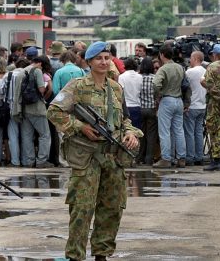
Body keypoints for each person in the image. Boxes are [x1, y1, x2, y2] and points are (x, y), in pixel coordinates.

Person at [47, 41, 142, 261]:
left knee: (112, 208)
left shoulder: (116, 88)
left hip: (113, 157)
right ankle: (75, 256)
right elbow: (54, 111)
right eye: (98, 58)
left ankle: (102, 254)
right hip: (86, 157)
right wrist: (81, 127)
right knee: (82, 208)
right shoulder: (77, 86)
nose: (104, 62)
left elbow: (125, 119)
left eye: (107, 58)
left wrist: (130, 133)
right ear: (89, 62)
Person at [152, 45, 188, 168]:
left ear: (162, 55)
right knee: (179, 130)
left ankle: (166, 159)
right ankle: (181, 158)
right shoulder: (180, 68)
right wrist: (187, 102)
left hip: (167, 100)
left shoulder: (163, 69)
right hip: (179, 100)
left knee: (164, 131)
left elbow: (156, 84)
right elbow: (186, 85)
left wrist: (159, 94)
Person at [15, 53, 52, 168]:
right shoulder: (37, 71)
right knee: (45, 135)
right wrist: (45, 87)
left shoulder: (22, 71)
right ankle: (41, 161)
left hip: (24, 108)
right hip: (37, 108)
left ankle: (28, 161)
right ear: (40, 63)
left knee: (27, 136)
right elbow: (41, 89)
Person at [183, 51, 207, 167]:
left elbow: (184, 86)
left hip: (192, 106)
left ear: (196, 58)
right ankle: (199, 156)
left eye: (191, 58)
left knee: (189, 133)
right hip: (203, 105)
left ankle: (190, 157)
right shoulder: (206, 71)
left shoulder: (190, 72)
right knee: (198, 132)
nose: (190, 61)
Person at [138, 57, 158, 165]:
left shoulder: (138, 78)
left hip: (140, 108)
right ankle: (149, 158)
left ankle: (139, 156)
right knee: (151, 135)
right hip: (151, 109)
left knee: (141, 134)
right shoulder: (155, 78)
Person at [118, 58, 142, 128]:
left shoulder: (121, 77)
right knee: (137, 130)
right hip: (137, 105)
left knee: (127, 129)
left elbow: (120, 92)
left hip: (126, 107)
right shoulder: (140, 77)